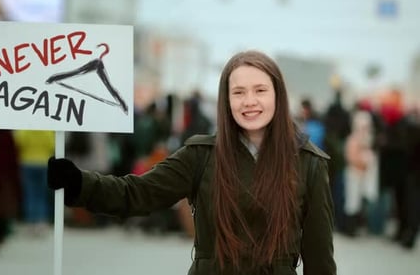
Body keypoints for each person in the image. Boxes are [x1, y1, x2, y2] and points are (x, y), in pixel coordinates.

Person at [48, 50, 336, 275]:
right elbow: (137, 194)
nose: (250, 101)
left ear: (278, 95)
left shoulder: (308, 163)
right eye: (238, 92)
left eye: (260, 90)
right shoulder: (201, 155)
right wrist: (79, 182)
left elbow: (319, 257)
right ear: (226, 100)